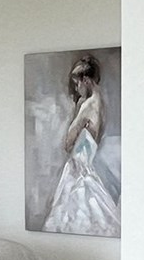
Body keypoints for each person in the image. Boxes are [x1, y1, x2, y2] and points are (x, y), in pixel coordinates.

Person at [42, 55, 121, 236]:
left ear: (86, 80)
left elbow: (68, 143)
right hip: (87, 166)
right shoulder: (102, 105)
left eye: (77, 83)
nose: (76, 88)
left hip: (78, 169)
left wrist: (77, 111)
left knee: (72, 215)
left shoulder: (87, 106)